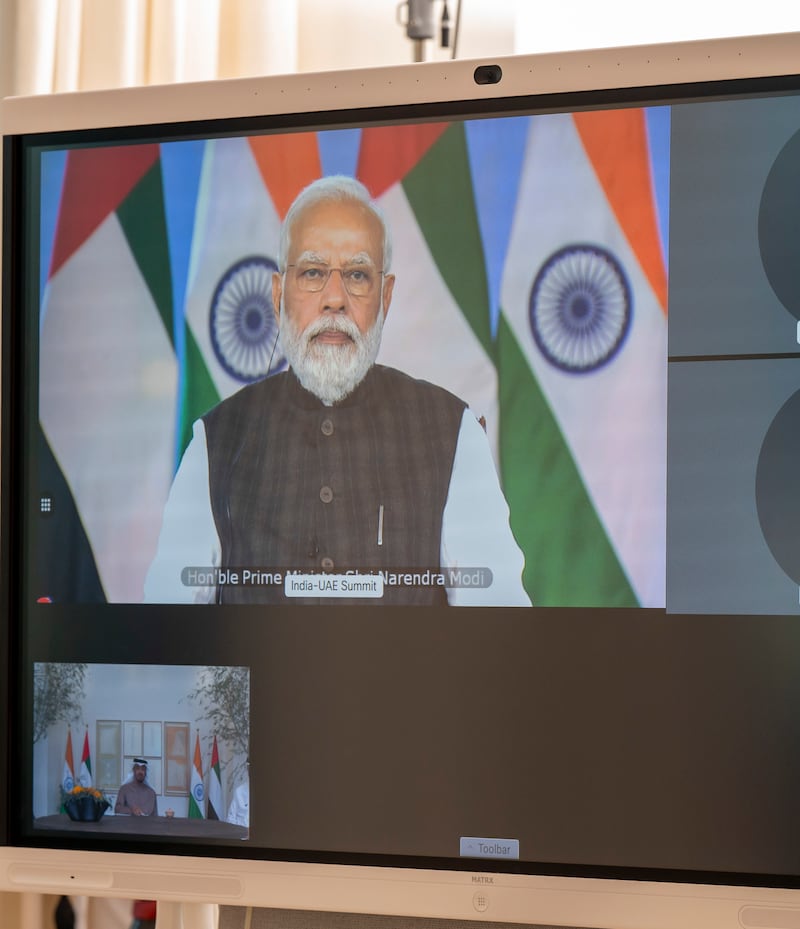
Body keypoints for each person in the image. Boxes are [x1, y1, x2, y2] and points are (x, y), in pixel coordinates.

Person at [145, 175, 530, 607]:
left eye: (357, 275)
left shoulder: (452, 432)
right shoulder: (214, 443)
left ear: (384, 298)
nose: (334, 299)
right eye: (312, 272)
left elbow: (500, 628)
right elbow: (169, 639)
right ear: (277, 295)